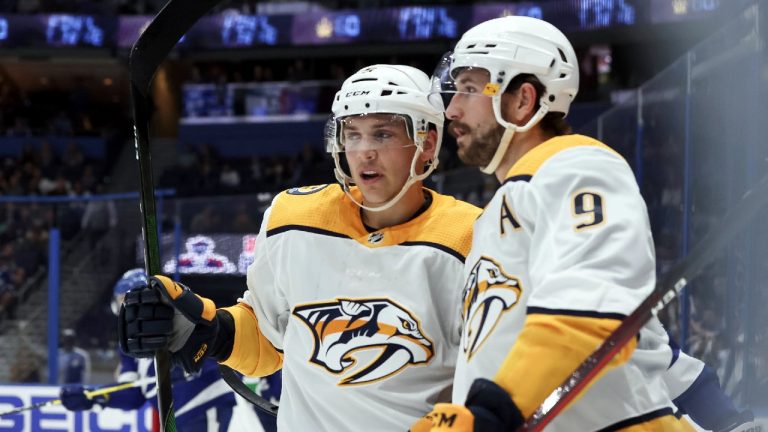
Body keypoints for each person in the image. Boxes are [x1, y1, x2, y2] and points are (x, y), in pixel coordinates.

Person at [415, 16, 753, 432]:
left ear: (523, 100)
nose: (451, 109)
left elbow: (585, 311)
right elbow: (640, 341)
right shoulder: (498, 216)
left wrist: (491, 413)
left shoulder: (575, 165)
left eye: (470, 88)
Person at [117, 64, 481, 430]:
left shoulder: (472, 235)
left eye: (383, 135)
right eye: (352, 135)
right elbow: (267, 340)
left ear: (427, 142)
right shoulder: (293, 218)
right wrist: (211, 331)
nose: (364, 152)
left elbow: (495, 375)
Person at [59, 269, 239, 432]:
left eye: (128, 302)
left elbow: (210, 348)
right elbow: (133, 394)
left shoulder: (180, 317)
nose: (127, 310)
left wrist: (188, 366)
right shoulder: (129, 346)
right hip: (177, 418)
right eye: (121, 302)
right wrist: (94, 397)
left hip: (204, 404)